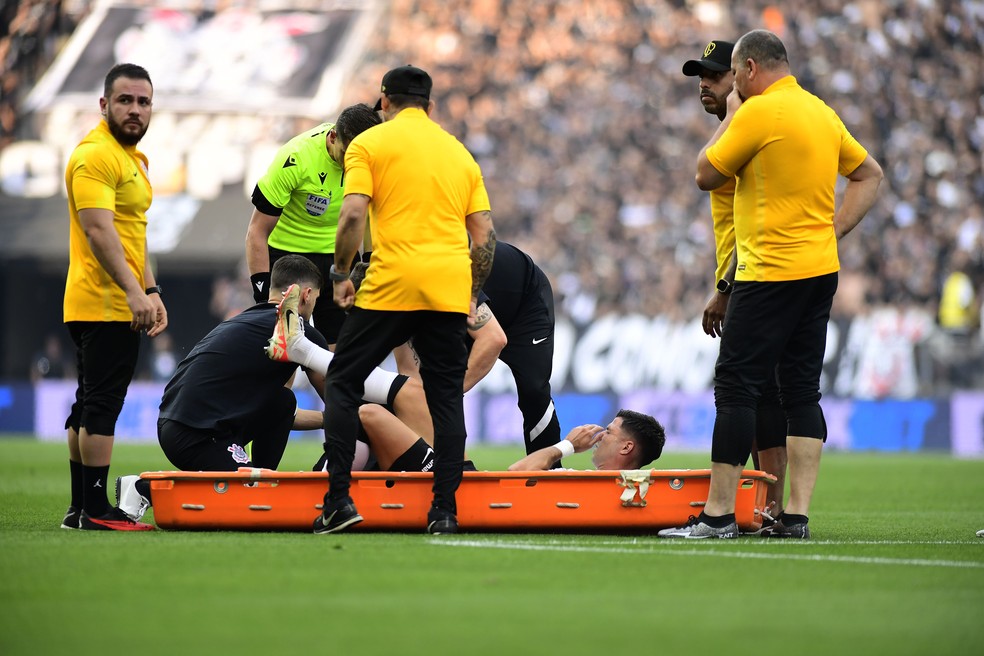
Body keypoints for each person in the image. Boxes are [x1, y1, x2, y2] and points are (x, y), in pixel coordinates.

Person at [660, 30, 882, 539]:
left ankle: (717, 516)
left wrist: (737, 113)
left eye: (735, 74)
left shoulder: (757, 113)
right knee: (802, 392)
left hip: (768, 272)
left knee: (736, 386)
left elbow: (705, 174)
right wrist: (835, 230)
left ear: (751, 69)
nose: (733, 84)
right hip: (819, 270)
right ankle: (796, 517)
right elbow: (869, 174)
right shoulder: (820, 111)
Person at [316, 64, 496, 536]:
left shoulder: (368, 143)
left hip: (392, 283)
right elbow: (485, 235)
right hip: (447, 290)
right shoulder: (459, 154)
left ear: (384, 102)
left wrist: (339, 273)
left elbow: (354, 212)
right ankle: (444, 512)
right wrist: (470, 292)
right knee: (445, 401)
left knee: (343, 380)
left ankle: (337, 500)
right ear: (430, 107)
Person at [115, 255, 433, 521]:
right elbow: (338, 400)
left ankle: (258, 475)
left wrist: (336, 419)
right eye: (317, 299)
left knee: (282, 402)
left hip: (182, 423)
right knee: (249, 497)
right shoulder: (299, 333)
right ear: (305, 295)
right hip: (197, 433)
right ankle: (144, 487)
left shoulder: (246, 321)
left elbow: (291, 415)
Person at [684, 40, 788, 523]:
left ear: (740, 78)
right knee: (763, 388)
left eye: (713, 75)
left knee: (746, 388)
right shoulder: (739, 131)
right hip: (747, 275)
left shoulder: (746, 129)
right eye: (699, 77)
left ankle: (751, 508)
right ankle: (767, 506)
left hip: (753, 278)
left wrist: (725, 289)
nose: (703, 84)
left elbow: (754, 223)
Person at [60, 63, 166, 532]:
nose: (135, 110)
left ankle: (80, 508)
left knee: (88, 402)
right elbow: (98, 229)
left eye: (143, 102)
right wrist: (132, 293)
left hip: (114, 297)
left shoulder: (131, 159)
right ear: (104, 105)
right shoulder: (95, 156)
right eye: (125, 100)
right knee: (102, 403)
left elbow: (131, 235)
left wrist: (152, 289)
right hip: (103, 301)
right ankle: (97, 511)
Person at [395, 241, 562, 458]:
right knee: (431, 386)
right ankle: (438, 464)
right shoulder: (394, 300)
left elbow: (493, 339)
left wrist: (449, 394)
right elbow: (410, 375)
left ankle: (549, 473)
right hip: (469, 310)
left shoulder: (440, 276)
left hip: (524, 304)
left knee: (533, 391)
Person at [245, 103, 382, 347]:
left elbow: (374, 213)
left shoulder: (376, 160)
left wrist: (370, 262)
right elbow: (257, 231)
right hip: (288, 254)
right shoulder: (296, 157)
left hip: (339, 253)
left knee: (340, 353)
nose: (353, 166)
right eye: (348, 155)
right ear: (332, 138)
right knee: (285, 348)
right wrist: (262, 292)